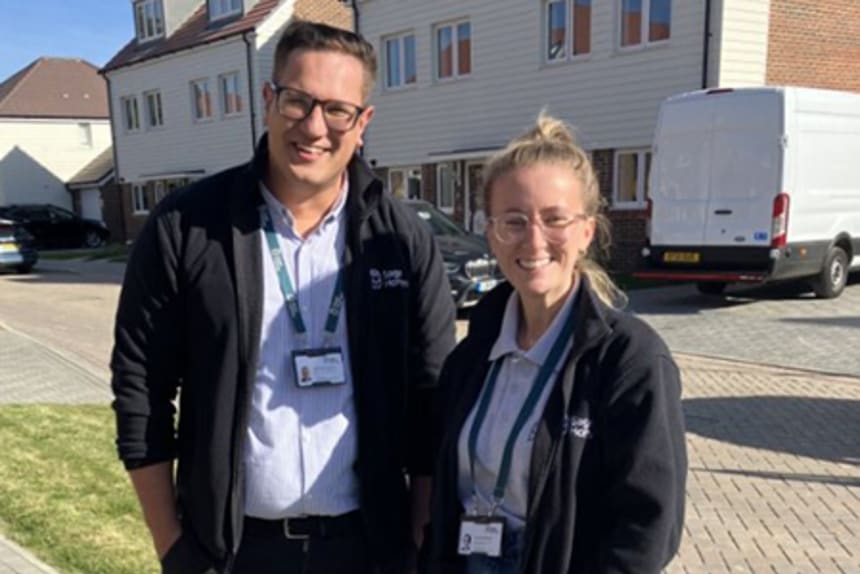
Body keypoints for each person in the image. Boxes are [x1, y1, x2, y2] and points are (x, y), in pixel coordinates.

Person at [111, 21, 456, 574]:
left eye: (338, 109)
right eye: (298, 101)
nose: (315, 126)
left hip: (369, 549)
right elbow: (140, 390)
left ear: (362, 123)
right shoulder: (188, 226)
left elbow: (432, 396)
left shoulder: (400, 240)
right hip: (231, 551)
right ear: (269, 100)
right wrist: (172, 546)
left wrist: (416, 538)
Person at [420, 114, 687, 574]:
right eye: (515, 221)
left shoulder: (629, 359)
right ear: (491, 233)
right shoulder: (472, 355)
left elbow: (647, 528)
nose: (534, 240)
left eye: (554, 219)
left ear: (586, 231)